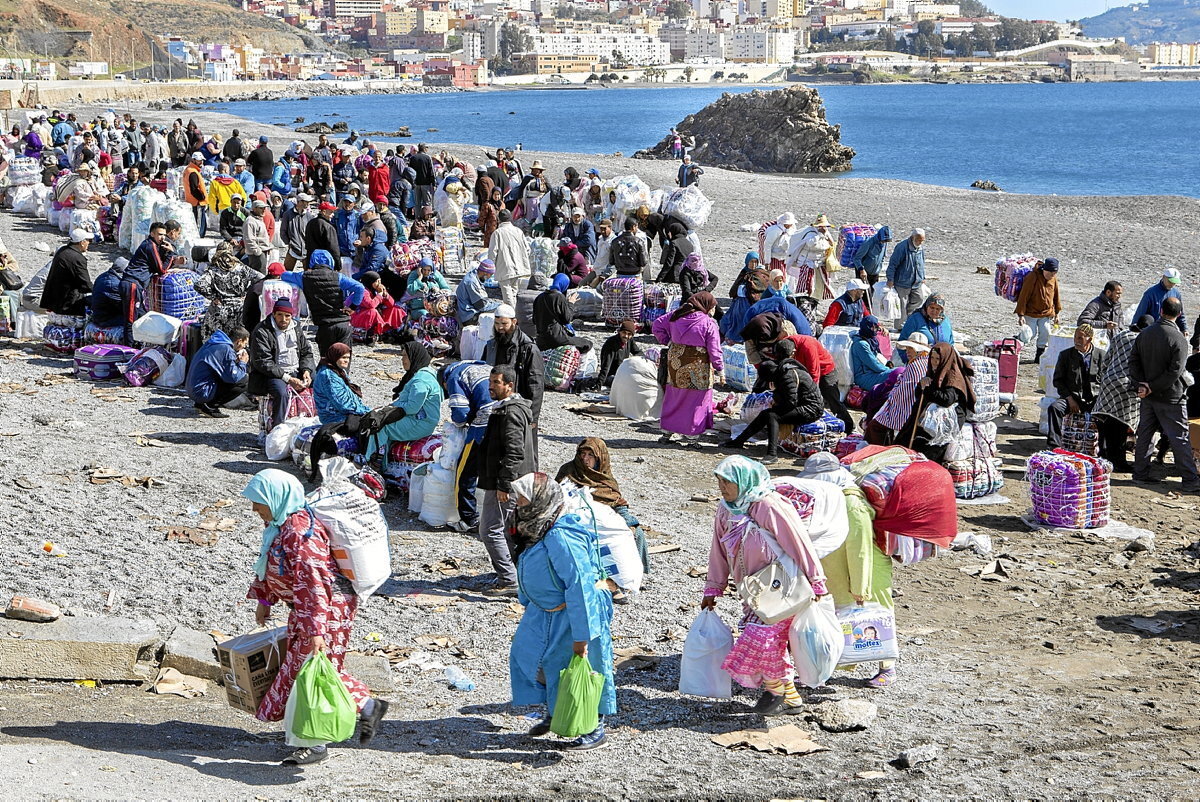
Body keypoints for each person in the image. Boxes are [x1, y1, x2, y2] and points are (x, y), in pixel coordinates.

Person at [242, 469, 387, 766]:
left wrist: (316, 630)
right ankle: (367, 706)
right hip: (309, 612)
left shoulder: (301, 533)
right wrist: (264, 599)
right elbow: (270, 564)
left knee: (310, 673)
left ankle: (315, 743)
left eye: (259, 502)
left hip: (326, 611)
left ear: (276, 498)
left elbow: (314, 583)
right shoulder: (279, 526)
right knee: (313, 668)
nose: (255, 508)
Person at [702, 456, 828, 715]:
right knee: (772, 643)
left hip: (782, 588)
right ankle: (790, 698)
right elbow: (718, 549)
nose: (722, 488)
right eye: (719, 481)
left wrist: (816, 580)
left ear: (744, 481)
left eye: (728, 482)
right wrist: (713, 587)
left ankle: (775, 691)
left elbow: (798, 542)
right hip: (753, 591)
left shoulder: (768, 505)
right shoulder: (726, 509)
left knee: (762, 640)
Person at [508, 472, 615, 750]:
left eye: (522, 498)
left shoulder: (561, 536)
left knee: (583, 669)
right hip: (544, 611)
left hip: (572, 613)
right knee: (530, 657)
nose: (517, 503)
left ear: (540, 499)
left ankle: (594, 726)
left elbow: (580, 586)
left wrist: (582, 637)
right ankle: (556, 710)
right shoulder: (538, 526)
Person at [798, 453, 896, 687]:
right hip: (841, 568)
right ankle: (827, 668)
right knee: (839, 618)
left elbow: (860, 548)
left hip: (867, 570)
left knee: (878, 617)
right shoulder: (833, 497)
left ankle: (888, 668)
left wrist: (861, 587)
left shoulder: (851, 502)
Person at [477, 365, 537, 595]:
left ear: (509, 386)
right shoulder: (508, 409)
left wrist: (503, 484)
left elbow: (514, 452)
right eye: (490, 382)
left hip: (507, 482)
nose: (490, 387)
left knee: (490, 529)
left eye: (496, 383)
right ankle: (515, 574)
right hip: (514, 481)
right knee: (507, 530)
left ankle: (509, 579)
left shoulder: (510, 413)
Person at [556, 438, 651, 582]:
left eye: (590, 455)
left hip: (606, 519)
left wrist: (629, 522)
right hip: (577, 519)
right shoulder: (569, 471)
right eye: (582, 454)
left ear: (600, 458)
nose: (585, 459)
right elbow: (557, 497)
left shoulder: (604, 477)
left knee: (636, 533)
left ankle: (633, 577)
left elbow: (616, 501)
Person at [1129, 297, 1200, 491]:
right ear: (1179, 314)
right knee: (1180, 438)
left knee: (1145, 434)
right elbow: (1175, 372)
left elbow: (1133, 361)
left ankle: (1140, 474)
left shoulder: (1145, 334)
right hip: (1171, 397)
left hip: (1148, 396)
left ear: (1160, 311)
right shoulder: (1178, 338)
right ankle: (1190, 480)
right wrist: (1151, 386)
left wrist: (1142, 385)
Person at [723, 339, 824, 463]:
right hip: (801, 404)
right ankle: (738, 441)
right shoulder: (782, 369)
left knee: (772, 416)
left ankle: (772, 454)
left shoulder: (787, 375)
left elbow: (790, 402)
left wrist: (775, 395)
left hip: (812, 409)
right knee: (765, 414)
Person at [652, 291, 723, 447]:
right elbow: (714, 349)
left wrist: (668, 341)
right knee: (697, 400)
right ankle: (691, 436)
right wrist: (720, 369)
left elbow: (656, 325)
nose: (713, 310)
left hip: (676, 364)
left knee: (674, 395)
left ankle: (667, 432)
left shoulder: (676, 315)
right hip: (698, 367)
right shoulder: (708, 323)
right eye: (712, 307)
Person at [362, 341, 443, 465]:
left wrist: (390, 407)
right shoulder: (425, 374)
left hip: (420, 422)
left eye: (405, 356)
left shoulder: (421, 380)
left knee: (380, 427)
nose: (402, 360)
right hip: (423, 420)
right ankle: (383, 461)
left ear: (414, 356)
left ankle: (373, 462)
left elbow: (412, 408)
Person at [441, 360, 498, 534]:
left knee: (465, 472)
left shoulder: (453, 377)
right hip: (504, 417)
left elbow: (460, 413)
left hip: (484, 423)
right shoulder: (481, 366)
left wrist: (460, 424)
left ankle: (469, 519)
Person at [1093, 316, 1153, 472]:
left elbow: (1107, 359)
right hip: (1127, 385)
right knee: (1120, 426)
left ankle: (1103, 456)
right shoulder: (1144, 340)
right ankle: (1118, 462)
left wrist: (1105, 377)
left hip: (1109, 381)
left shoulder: (1121, 335)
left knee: (1106, 422)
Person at [248, 299, 315, 433]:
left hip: (296, 369)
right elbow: (263, 361)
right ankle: (277, 430)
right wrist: (288, 379)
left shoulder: (296, 328)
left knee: (319, 383)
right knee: (281, 393)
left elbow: (306, 352)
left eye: (287, 316)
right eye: (279, 315)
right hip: (273, 374)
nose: (283, 319)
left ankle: (314, 425)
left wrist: (306, 371)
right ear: (273, 314)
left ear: (292, 316)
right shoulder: (262, 331)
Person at [484, 304, 545, 426]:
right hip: (494, 405)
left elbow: (535, 384)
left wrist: (532, 416)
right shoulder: (491, 345)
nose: (500, 327)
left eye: (504, 323)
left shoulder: (528, 348)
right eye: (496, 323)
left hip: (518, 408)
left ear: (514, 322)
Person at [867, 332, 931, 445]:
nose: (907, 351)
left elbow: (903, 393)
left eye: (910, 348)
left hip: (906, 410)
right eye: (907, 348)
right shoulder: (925, 362)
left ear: (918, 350)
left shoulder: (915, 366)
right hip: (914, 407)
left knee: (875, 426)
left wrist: (890, 403)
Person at [1047, 324, 1103, 449]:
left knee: (1107, 415)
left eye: (1080, 338)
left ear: (1089, 339)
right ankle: (1054, 446)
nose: (1076, 341)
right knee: (1055, 408)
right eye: (1075, 337)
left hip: (1095, 400)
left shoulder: (1101, 356)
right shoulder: (1066, 355)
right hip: (1072, 398)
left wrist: (1099, 401)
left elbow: (1105, 382)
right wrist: (1070, 399)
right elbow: (1058, 381)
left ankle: (1102, 449)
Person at [194, 242, 265, 339]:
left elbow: (199, 284)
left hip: (220, 307)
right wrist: (247, 293)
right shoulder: (242, 268)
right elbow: (261, 278)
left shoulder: (214, 269)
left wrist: (213, 296)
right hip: (239, 308)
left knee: (216, 338)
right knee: (237, 338)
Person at [302, 249, 366, 356]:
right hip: (343, 322)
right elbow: (359, 287)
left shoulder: (305, 277)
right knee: (343, 359)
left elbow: (285, 275)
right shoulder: (338, 276)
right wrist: (353, 307)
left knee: (327, 359)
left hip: (325, 325)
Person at [788, 332, 854, 433]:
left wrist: (813, 392)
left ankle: (849, 425)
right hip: (806, 370)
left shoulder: (808, 347)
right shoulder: (786, 343)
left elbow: (815, 372)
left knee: (833, 400)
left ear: (793, 351)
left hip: (826, 371)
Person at [187, 327, 250, 417]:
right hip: (201, 392)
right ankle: (210, 406)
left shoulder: (216, 343)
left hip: (195, 389)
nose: (244, 347)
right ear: (239, 341)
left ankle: (201, 404)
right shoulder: (225, 349)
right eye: (245, 344)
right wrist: (243, 363)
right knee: (244, 380)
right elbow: (234, 378)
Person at [1015, 257, 1062, 363]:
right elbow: (1023, 296)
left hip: (1046, 313)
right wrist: (1021, 315)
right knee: (1029, 335)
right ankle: (1014, 343)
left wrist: (1057, 313)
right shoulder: (1032, 277)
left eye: (1054, 273)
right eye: (1050, 273)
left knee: (1046, 333)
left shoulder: (1053, 279)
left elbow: (1056, 295)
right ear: (1044, 269)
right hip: (1031, 312)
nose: (1052, 275)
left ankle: (1039, 357)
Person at [312, 342, 371, 427]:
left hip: (343, 413)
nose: (347, 360)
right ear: (335, 356)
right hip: (334, 417)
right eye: (343, 357)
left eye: (348, 357)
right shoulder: (328, 376)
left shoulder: (338, 371)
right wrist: (365, 411)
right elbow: (343, 404)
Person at [534, 273, 592, 353]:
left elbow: (534, 320)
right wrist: (571, 303)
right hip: (557, 339)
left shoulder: (539, 297)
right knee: (587, 344)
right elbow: (567, 319)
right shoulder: (558, 296)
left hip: (541, 340)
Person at [40, 230, 93, 315]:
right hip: (66, 303)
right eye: (88, 240)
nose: (89, 243)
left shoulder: (63, 250)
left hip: (53, 299)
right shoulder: (77, 258)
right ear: (82, 242)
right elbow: (85, 283)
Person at [488, 210, 533, 308]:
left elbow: (492, 253)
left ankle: (511, 313)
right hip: (518, 266)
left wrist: (491, 267)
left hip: (504, 267)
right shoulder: (518, 231)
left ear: (499, 220)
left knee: (507, 294)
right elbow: (528, 249)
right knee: (514, 291)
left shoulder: (497, 233)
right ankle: (515, 311)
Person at [786, 215, 837, 299]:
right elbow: (810, 244)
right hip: (808, 263)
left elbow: (831, 244)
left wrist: (827, 237)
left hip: (820, 263)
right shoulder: (810, 234)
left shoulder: (826, 233)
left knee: (821, 284)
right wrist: (819, 235)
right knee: (806, 284)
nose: (824, 228)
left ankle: (817, 300)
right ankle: (803, 300)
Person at [1131, 268, 1187, 341]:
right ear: (1163, 277)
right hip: (1151, 332)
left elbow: (1179, 313)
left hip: (1168, 332)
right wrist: (1134, 329)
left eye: (1174, 282)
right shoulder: (1150, 293)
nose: (1172, 284)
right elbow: (1140, 312)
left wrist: (1184, 328)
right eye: (1170, 281)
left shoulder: (1176, 294)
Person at [897, 293, 954, 363]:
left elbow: (951, 343)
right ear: (926, 306)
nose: (934, 311)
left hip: (943, 362)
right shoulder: (915, 319)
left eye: (938, 309)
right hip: (920, 363)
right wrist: (909, 361)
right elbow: (903, 341)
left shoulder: (945, 321)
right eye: (932, 307)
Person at [885, 228, 927, 318]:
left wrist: (923, 276)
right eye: (918, 240)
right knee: (901, 307)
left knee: (919, 299)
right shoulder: (902, 247)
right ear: (912, 237)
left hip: (916, 282)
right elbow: (893, 264)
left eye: (922, 240)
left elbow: (921, 262)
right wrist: (890, 279)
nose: (920, 242)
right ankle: (901, 324)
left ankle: (909, 317)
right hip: (902, 282)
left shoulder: (920, 248)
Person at [850, 315, 896, 391]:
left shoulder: (870, 340)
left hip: (872, 372)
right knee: (898, 373)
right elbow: (874, 365)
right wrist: (889, 370)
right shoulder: (861, 344)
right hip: (864, 377)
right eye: (873, 327)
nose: (876, 330)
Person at [456, 259, 500, 328]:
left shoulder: (475, 276)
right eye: (490, 275)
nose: (490, 277)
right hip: (470, 316)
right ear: (485, 273)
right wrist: (499, 305)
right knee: (501, 311)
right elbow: (481, 306)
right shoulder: (471, 282)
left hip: (471, 310)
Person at [598, 320, 642, 388]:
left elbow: (638, 353)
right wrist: (598, 385)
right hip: (611, 376)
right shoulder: (611, 344)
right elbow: (606, 367)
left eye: (629, 334)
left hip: (623, 372)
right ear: (620, 332)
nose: (626, 336)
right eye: (624, 332)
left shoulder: (629, 340)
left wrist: (633, 360)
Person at [182, 152, 209, 236]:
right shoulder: (192, 172)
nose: (201, 162)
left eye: (202, 160)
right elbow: (194, 189)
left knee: (195, 222)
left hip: (192, 201)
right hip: (197, 202)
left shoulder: (188, 169)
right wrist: (202, 197)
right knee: (199, 224)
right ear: (193, 160)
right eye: (199, 161)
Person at [243, 199, 273, 273]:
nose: (264, 210)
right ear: (254, 209)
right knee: (259, 276)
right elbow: (249, 239)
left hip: (262, 251)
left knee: (262, 274)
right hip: (256, 254)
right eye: (261, 208)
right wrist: (258, 252)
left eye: (264, 208)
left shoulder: (258, 219)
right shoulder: (250, 221)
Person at [409, 143, 436, 211]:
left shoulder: (413, 158)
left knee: (417, 203)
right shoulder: (427, 158)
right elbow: (431, 171)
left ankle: (417, 216)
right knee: (427, 202)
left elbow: (410, 171)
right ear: (424, 149)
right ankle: (427, 215)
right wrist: (433, 183)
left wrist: (411, 182)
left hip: (416, 183)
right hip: (426, 183)